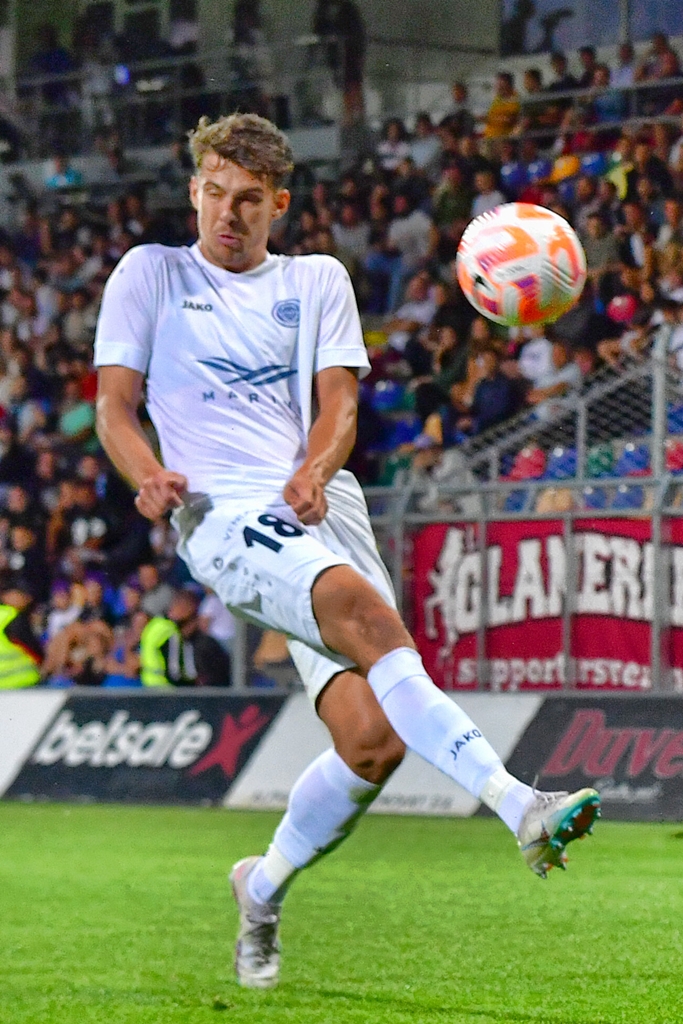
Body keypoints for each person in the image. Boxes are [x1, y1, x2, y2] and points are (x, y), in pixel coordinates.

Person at [94, 112, 601, 990]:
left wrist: (316, 468)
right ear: (194, 190)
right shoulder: (152, 272)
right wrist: (148, 474)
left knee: (371, 743)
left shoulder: (317, 280)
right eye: (214, 193)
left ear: (279, 205)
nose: (228, 213)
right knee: (365, 615)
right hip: (221, 513)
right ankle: (519, 804)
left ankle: (261, 887)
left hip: (319, 504)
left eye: (249, 199)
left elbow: (339, 405)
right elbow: (114, 405)